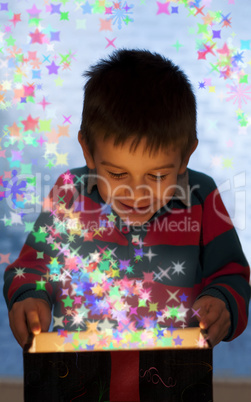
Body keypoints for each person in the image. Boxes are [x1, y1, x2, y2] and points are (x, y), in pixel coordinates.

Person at [4, 49, 250, 400]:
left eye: (158, 175)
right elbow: (30, 268)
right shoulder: (69, 195)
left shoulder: (203, 197)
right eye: (117, 173)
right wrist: (30, 297)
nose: (136, 193)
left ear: (186, 155)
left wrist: (223, 302)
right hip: (79, 375)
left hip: (172, 378)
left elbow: (232, 276)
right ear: (88, 152)